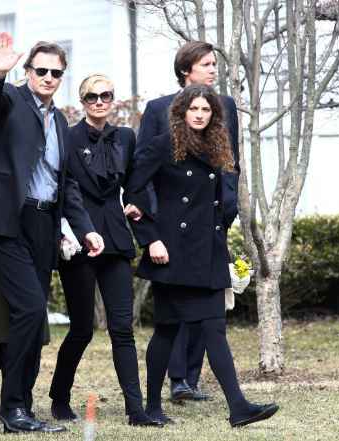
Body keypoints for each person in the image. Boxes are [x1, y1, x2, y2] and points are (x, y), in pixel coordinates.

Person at [125, 84, 278, 427]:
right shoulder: (164, 144)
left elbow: (218, 199)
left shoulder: (216, 145)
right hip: (171, 253)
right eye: (193, 109)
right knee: (166, 330)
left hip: (207, 250)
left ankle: (238, 407)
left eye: (205, 110)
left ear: (214, 115)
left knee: (214, 327)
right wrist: (151, 239)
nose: (199, 115)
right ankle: (152, 407)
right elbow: (133, 192)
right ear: (181, 112)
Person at [0, 32, 105, 434]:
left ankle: (20, 406)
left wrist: (85, 230)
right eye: (42, 70)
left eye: (56, 73)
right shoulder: (10, 100)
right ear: (29, 71)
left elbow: (66, 184)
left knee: (31, 320)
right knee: (31, 311)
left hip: (43, 226)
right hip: (7, 224)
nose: (49, 77)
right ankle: (13, 407)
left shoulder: (60, 120)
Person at [47, 74, 156, 426]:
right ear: (82, 101)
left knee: (122, 328)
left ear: (112, 99)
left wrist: (137, 202)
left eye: (105, 96)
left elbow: (136, 180)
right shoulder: (67, 136)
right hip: (80, 240)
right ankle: (59, 398)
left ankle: (135, 410)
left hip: (117, 239)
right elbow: (64, 187)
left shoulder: (125, 137)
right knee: (82, 329)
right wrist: (80, 232)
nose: (99, 102)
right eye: (92, 97)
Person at [137, 40, 240, 402]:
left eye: (214, 64)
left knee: (211, 319)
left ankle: (195, 382)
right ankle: (173, 383)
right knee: (172, 320)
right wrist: (152, 230)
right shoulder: (159, 110)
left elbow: (230, 162)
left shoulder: (224, 106)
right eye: (206, 64)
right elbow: (142, 175)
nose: (213, 69)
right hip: (172, 229)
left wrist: (228, 209)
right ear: (186, 70)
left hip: (209, 223)